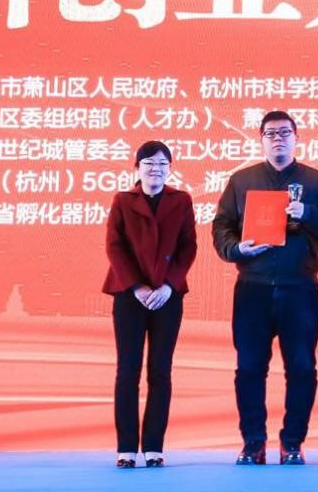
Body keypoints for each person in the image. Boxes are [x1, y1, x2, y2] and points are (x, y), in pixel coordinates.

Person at [212, 110, 318, 466]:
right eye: (270, 133)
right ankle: (253, 443)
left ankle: (292, 443)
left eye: (285, 132)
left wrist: (309, 214)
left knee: (301, 368)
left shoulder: (317, 182)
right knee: (249, 368)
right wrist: (236, 249)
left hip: (299, 289)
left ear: (296, 138)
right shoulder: (242, 181)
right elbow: (221, 226)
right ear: (261, 140)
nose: (278, 139)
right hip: (252, 289)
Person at [102, 140, 197, 469]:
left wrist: (169, 286)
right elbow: (114, 247)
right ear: (137, 167)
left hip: (168, 297)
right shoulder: (123, 200)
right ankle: (126, 449)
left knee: (160, 371)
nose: (156, 169)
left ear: (169, 168)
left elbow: (188, 247)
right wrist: (137, 286)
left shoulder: (181, 200)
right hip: (129, 295)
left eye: (162, 164)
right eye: (149, 163)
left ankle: (154, 447)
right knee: (128, 370)